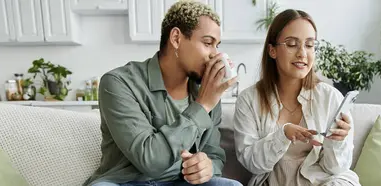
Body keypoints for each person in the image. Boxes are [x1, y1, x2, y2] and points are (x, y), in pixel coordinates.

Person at [84, 1, 242, 186]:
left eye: (217, 45)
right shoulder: (119, 83)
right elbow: (150, 161)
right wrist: (202, 106)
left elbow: (214, 155)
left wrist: (207, 167)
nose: (215, 55)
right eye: (208, 43)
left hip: (180, 182)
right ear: (176, 38)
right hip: (126, 182)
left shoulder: (206, 90)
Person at [233, 9, 361, 186]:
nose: (302, 53)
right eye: (292, 44)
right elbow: (251, 163)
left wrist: (337, 142)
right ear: (272, 50)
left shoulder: (330, 97)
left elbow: (335, 168)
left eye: (309, 45)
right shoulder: (248, 100)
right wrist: (282, 135)